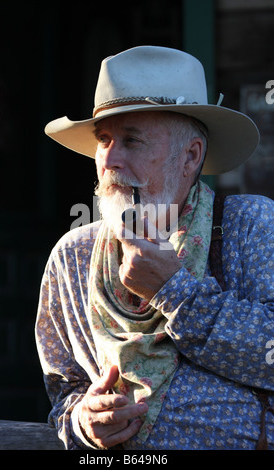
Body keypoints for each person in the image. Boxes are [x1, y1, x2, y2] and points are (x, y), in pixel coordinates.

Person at [35, 46, 274, 450]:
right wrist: (83, 421)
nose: (109, 158)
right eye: (104, 138)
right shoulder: (72, 256)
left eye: (132, 140)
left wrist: (174, 290)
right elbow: (65, 390)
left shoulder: (249, 225)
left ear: (191, 155)